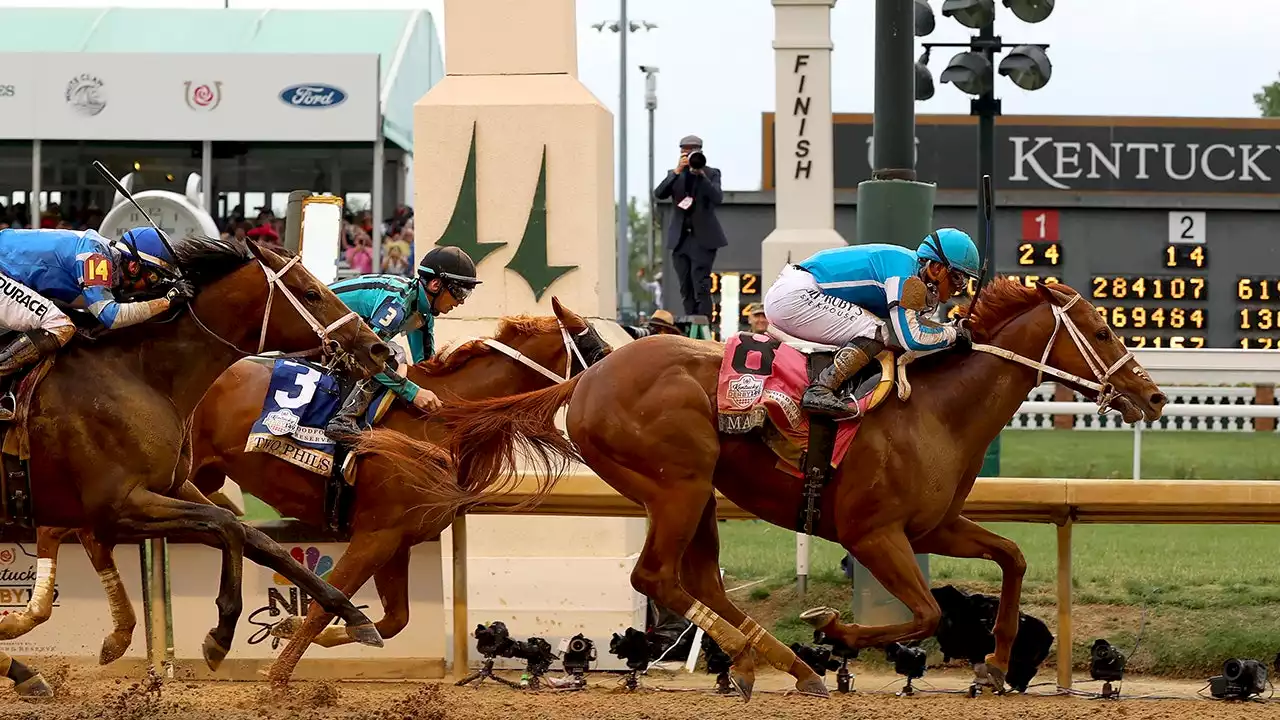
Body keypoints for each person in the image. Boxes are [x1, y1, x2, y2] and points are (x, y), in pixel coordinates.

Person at [762, 228, 981, 418]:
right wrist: (953, 334)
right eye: (958, 278)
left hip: (797, 290)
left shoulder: (911, 270)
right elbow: (912, 337)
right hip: (796, 294)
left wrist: (949, 329)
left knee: (876, 329)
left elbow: (912, 327)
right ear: (936, 268)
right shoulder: (903, 273)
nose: (958, 288)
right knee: (875, 330)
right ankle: (820, 390)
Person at [323, 245, 480, 442]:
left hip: (339, 335)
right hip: (316, 323)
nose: (461, 301)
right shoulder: (398, 303)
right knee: (393, 353)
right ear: (435, 285)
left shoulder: (423, 313)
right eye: (459, 292)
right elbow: (370, 355)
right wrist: (413, 393)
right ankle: (344, 419)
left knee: (397, 359)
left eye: (466, 294)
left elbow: (425, 366)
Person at [0, 225, 192, 382]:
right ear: (134, 266)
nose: (153, 285)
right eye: (153, 278)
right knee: (59, 325)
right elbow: (111, 316)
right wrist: (165, 302)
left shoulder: (108, 262)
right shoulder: (95, 257)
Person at [654, 134, 727, 322]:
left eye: (693, 151)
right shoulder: (675, 174)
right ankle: (690, 322)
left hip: (703, 238)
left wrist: (700, 175)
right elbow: (659, 193)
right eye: (685, 151)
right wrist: (677, 171)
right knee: (685, 285)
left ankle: (703, 322)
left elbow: (717, 197)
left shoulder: (711, 173)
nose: (689, 155)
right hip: (680, 239)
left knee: (700, 283)